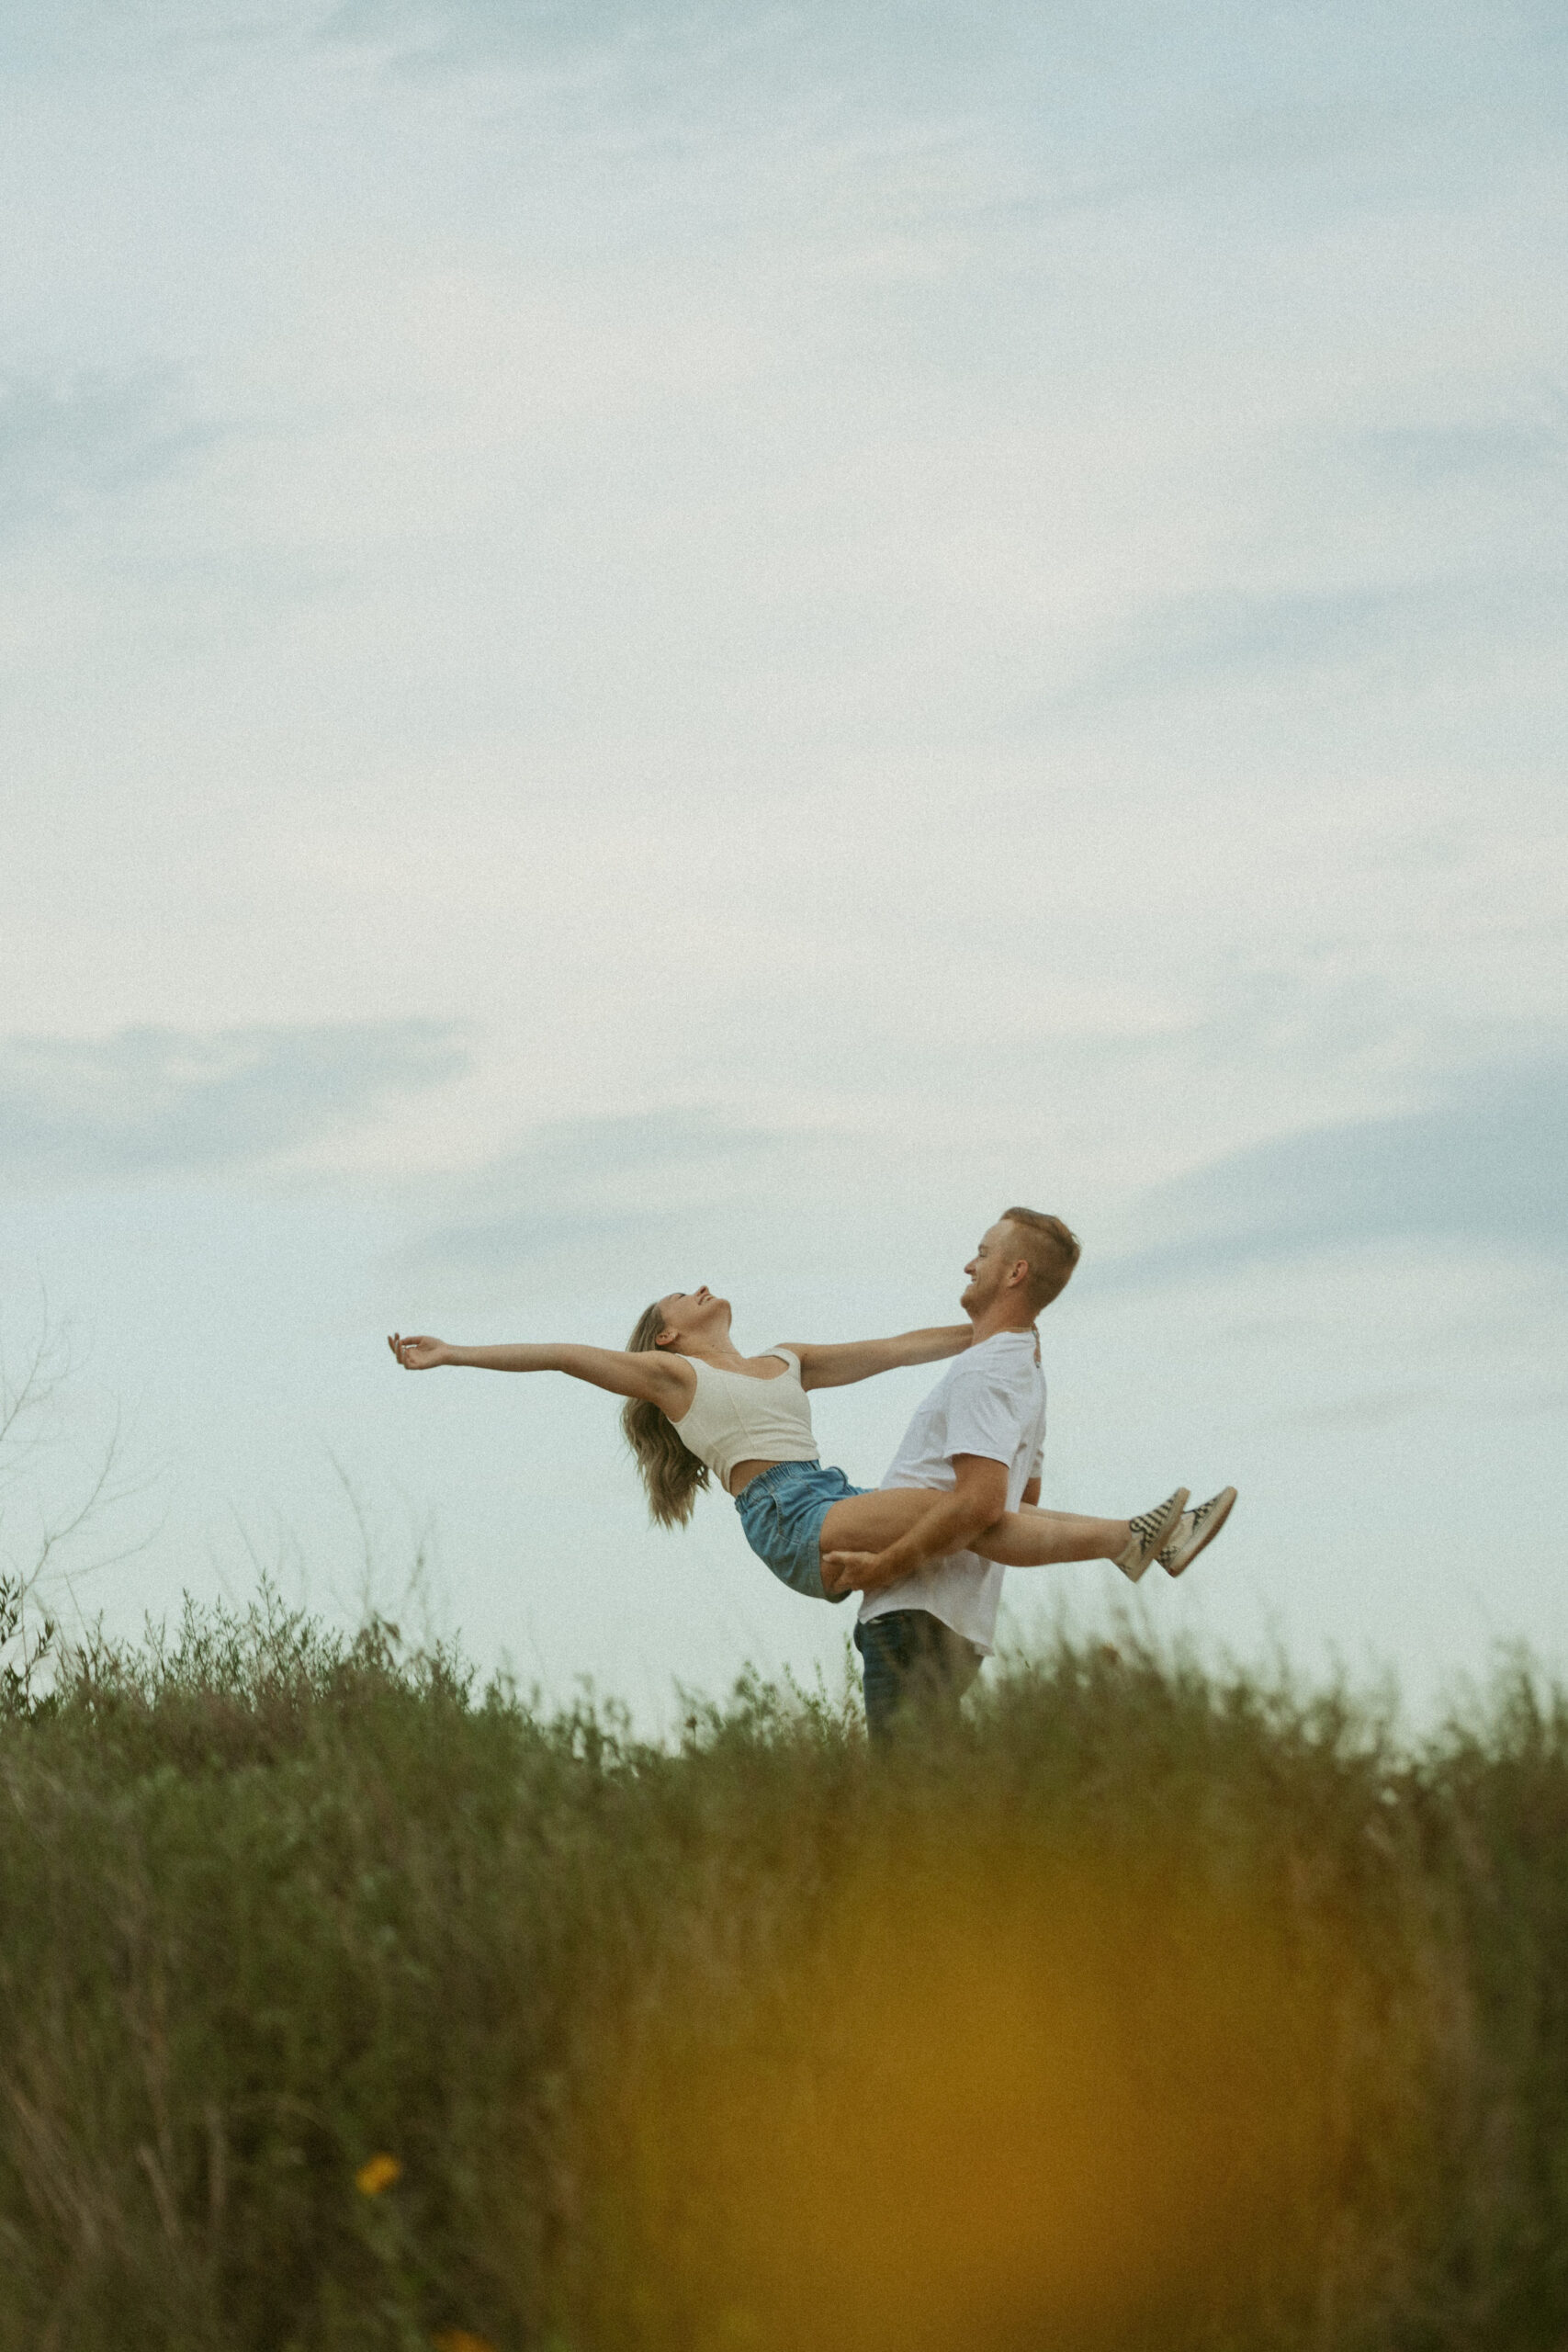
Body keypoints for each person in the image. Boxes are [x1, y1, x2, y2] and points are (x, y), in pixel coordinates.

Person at [388, 1211, 1228, 1621]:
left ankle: (1139, 1540)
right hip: (786, 1515)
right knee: (968, 1509)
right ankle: (1139, 1537)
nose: (700, 1282)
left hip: (828, 1495)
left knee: (974, 1514)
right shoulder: (673, 1375)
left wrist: (1010, 1327)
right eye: (681, 1292)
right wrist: (454, 1352)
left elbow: (898, 1347)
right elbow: (566, 1356)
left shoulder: (787, 1361)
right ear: (670, 1330)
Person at [832, 1207, 1235, 1744]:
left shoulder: (985, 1368)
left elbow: (982, 1506)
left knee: (907, 1806)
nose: (968, 1265)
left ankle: (1138, 1536)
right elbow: (1024, 1503)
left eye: (982, 1253)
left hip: (913, 1613)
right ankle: (1145, 1534)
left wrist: (881, 1566)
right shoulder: (1023, 1367)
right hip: (963, 1624)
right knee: (934, 1798)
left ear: (1014, 1273)